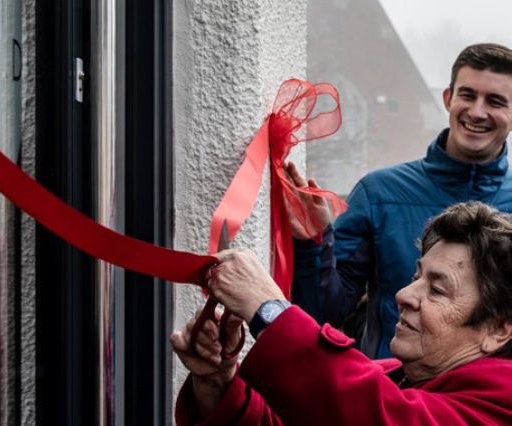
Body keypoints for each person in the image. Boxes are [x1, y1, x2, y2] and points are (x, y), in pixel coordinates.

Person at [171, 202, 512, 424]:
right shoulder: (393, 375)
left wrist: (268, 308)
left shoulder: (503, 400)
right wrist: (217, 382)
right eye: (416, 276)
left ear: (497, 329)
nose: (404, 295)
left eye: (437, 289)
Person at [288, 43, 512, 358]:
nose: (477, 111)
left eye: (495, 101)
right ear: (448, 99)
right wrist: (314, 243)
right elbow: (323, 314)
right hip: (392, 395)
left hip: (486, 402)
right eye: (467, 95)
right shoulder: (379, 193)